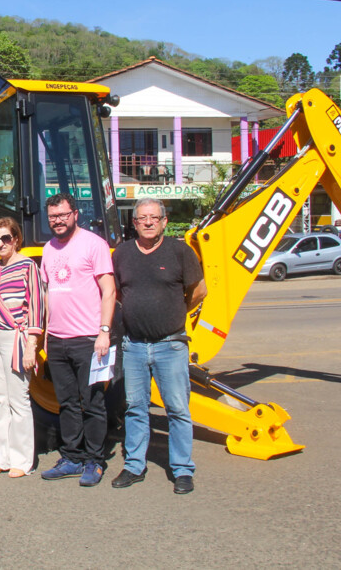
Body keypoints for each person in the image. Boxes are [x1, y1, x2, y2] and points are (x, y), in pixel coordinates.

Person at [111, 198, 206, 495]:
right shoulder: (123, 253)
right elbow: (116, 292)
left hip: (170, 346)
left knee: (177, 409)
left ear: (164, 221)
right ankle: (134, 465)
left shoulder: (180, 252)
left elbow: (199, 291)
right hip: (135, 345)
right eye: (142, 218)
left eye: (154, 217)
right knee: (135, 408)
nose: (148, 222)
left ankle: (182, 470)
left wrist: (174, 313)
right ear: (134, 223)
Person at [39, 192, 116, 487]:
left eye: (63, 215)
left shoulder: (94, 245)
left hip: (88, 339)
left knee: (93, 402)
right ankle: (72, 456)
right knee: (67, 402)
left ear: (75, 215)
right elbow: (47, 295)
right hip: (58, 339)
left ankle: (94, 461)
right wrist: (46, 336)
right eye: (53, 217)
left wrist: (104, 331)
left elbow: (108, 290)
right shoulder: (48, 249)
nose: (58, 221)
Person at [0, 217, 44, 478]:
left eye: (5, 238)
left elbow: (36, 308)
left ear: (16, 239)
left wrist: (32, 346)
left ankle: (22, 461)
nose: (0, 243)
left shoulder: (29, 266)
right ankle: (2, 458)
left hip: (16, 338)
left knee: (19, 400)